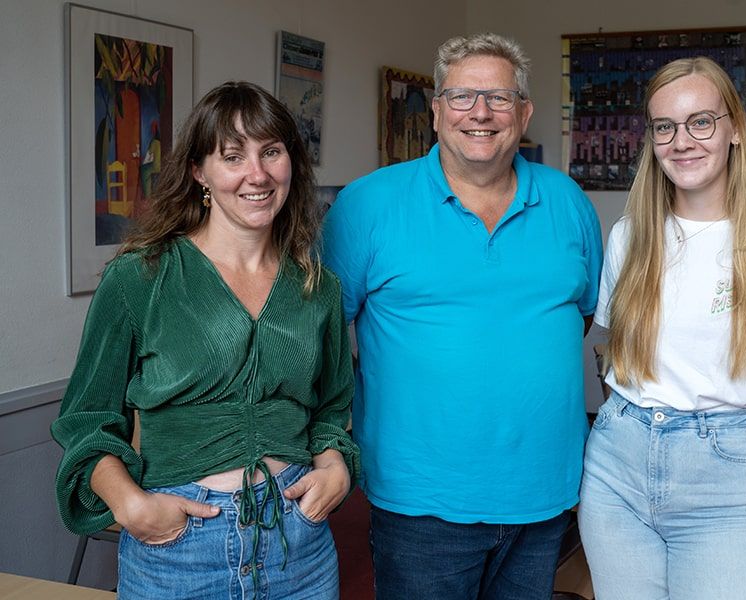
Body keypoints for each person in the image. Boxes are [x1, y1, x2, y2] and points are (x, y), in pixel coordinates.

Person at [52, 81, 358, 600]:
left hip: (298, 546)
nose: (257, 174)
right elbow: (87, 419)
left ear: (291, 164)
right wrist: (131, 505)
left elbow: (331, 410)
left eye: (272, 152)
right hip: (180, 549)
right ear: (200, 172)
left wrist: (335, 467)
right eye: (232, 156)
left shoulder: (317, 287)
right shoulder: (140, 277)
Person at [323, 33, 602, 600]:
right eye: (462, 96)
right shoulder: (366, 205)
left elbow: (583, 315)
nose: (480, 112)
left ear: (523, 113)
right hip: (421, 499)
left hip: (545, 490)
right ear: (435, 111)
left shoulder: (568, 200)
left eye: (500, 98)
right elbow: (323, 335)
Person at [578, 57, 746, 600]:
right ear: (651, 139)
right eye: (665, 127)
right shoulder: (629, 238)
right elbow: (614, 360)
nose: (682, 141)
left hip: (725, 479)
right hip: (615, 473)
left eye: (702, 121)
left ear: (735, 129)